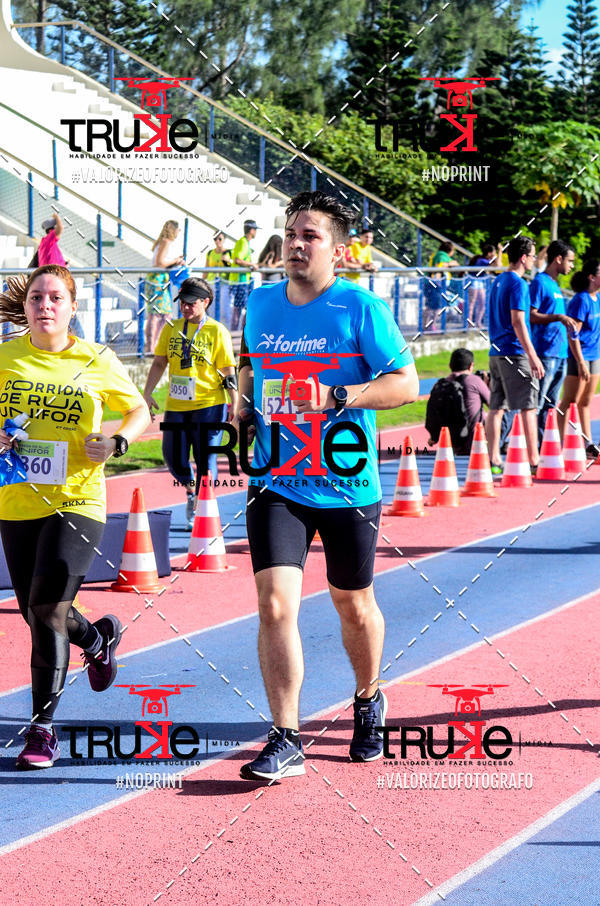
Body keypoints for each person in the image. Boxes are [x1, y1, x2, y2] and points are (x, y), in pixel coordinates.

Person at [235, 190, 418, 781]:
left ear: (338, 250)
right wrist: (242, 407)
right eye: (292, 233)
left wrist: (338, 396)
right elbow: (248, 361)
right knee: (273, 605)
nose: (295, 243)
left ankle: (368, 696)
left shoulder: (360, 308)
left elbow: (406, 384)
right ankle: (285, 735)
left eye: (310, 235)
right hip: (276, 479)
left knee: (353, 605)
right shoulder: (260, 305)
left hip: (345, 479)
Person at [0, 264, 150, 769]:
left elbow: (140, 410)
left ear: (71, 306)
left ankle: (42, 727)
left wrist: (116, 441)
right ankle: (97, 638)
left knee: (45, 609)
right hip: (17, 500)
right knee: (38, 610)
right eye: (37, 297)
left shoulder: (96, 358)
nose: (45, 305)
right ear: (25, 307)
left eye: (56, 298)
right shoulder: (5, 357)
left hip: (77, 498)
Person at [143, 277, 237, 529]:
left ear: (205, 302)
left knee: (206, 458)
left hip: (210, 404)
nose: (185, 307)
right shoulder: (172, 327)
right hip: (176, 405)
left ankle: (202, 507)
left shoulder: (217, 331)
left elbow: (228, 369)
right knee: (173, 457)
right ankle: (191, 490)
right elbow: (160, 362)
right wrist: (148, 391)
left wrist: (234, 404)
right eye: (182, 302)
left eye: (191, 303)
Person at [485, 236, 544, 476]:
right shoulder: (519, 284)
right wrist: (532, 355)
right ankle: (534, 461)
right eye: (532, 256)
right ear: (523, 257)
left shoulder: (498, 280)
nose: (533, 260)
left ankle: (493, 459)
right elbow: (519, 321)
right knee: (528, 406)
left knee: (496, 407)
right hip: (514, 351)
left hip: (496, 351)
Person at [529, 239, 576, 446]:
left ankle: (545, 446)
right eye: (570, 261)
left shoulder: (555, 284)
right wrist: (558, 317)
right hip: (545, 352)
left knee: (551, 405)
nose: (572, 266)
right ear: (558, 259)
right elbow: (531, 315)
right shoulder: (540, 282)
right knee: (538, 404)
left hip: (560, 353)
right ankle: (533, 449)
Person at [556, 259, 600, 452]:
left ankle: (588, 443)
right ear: (592, 277)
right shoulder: (581, 300)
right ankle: (556, 443)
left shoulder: (597, 299)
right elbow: (572, 333)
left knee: (586, 402)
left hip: (594, 356)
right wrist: (581, 361)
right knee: (570, 400)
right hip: (579, 356)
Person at [426, 348, 489, 455]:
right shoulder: (474, 380)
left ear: (450, 366)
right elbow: (493, 404)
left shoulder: (441, 384)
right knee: (501, 412)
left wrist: (434, 436)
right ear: (471, 366)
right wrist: (487, 385)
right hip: (474, 441)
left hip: (451, 442)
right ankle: (497, 444)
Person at [145, 220, 185, 354]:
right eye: (179, 230)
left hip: (156, 279)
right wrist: (176, 261)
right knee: (159, 314)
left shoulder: (162, 241)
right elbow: (160, 262)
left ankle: (153, 345)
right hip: (158, 280)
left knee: (160, 313)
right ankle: (152, 346)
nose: (179, 232)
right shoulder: (166, 242)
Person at [230, 220, 259, 332]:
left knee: (242, 308)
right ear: (251, 230)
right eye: (255, 229)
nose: (256, 232)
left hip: (242, 281)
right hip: (239, 281)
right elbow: (238, 260)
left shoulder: (245, 242)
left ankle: (239, 332)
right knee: (238, 309)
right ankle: (235, 333)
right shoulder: (243, 242)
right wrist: (252, 264)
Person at [424, 240, 459, 331]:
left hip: (432, 284)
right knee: (436, 306)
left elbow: (453, 264)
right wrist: (451, 264)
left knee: (431, 306)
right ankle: (430, 326)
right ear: (450, 249)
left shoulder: (440, 255)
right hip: (435, 285)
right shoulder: (441, 255)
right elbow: (440, 265)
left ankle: (426, 326)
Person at [205, 232, 232, 326]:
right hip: (211, 283)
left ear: (224, 239)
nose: (217, 241)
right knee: (211, 309)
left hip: (224, 283)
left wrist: (228, 261)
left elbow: (232, 267)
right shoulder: (210, 253)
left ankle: (226, 330)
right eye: (215, 239)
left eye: (220, 239)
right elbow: (206, 269)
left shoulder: (229, 252)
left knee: (224, 309)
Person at [468, 242, 496, 329]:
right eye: (494, 253)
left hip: (480, 282)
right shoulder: (482, 261)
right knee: (472, 304)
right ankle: (469, 323)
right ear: (489, 253)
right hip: (473, 281)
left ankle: (478, 322)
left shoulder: (484, 260)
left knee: (482, 303)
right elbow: (494, 266)